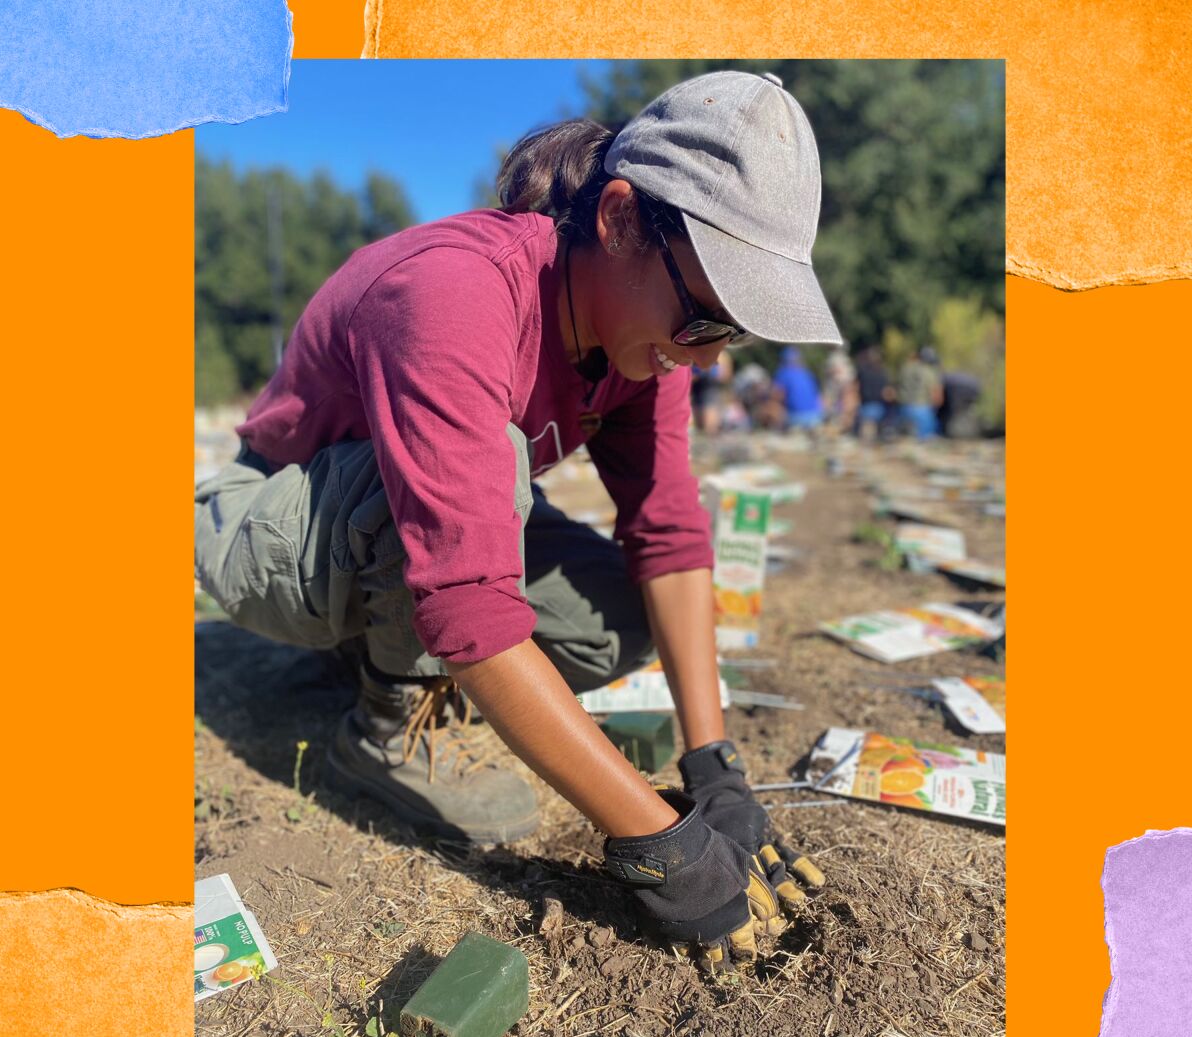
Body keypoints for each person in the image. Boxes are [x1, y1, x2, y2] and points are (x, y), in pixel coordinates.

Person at [194, 71, 841, 972]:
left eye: (731, 334)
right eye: (703, 318)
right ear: (618, 222)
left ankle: (379, 654)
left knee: (621, 612)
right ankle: (382, 733)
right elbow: (470, 604)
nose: (707, 357)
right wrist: (661, 844)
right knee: (491, 470)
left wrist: (711, 769)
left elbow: (670, 533)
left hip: (375, 533)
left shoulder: (643, 347)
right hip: (265, 526)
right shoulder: (456, 293)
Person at [897, 345, 943, 439]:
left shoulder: (905, 368)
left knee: (906, 439)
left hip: (904, 408)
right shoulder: (929, 371)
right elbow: (936, 395)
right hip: (922, 410)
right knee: (926, 441)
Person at [772, 346, 823, 430]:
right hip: (816, 417)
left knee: (771, 407)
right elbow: (817, 397)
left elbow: (777, 396)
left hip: (795, 418)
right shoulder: (808, 373)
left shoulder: (783, 373)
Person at [854, 345, 895, 441]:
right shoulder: (883, 372)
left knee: (865, 439)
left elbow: (855, 387)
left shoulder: (862, 371)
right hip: (879, 409)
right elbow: (888, 393)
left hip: (865, 409)